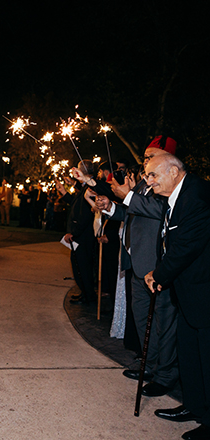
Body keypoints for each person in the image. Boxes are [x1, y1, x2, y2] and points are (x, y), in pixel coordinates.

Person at [96, 137, 178, 397]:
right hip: (136, 263)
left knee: (162, 324)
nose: (146, 162)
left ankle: (165, 376)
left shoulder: (169, 185)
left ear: (169, 159)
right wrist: (111, 206)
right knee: (144, 321)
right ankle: (150, 366)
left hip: (156, 267)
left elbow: (157, 210)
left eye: (152, 156)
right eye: (144, 157)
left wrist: (128, 195)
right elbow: (130, 212)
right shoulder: (144, 183)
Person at [141, 154, 210, 440]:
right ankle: (195, 407)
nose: (149, 181)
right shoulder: (176, 195)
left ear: (173, 171)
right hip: (188, 289)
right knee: (190, 354)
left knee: (207, 357)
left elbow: (186, 247)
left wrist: (159, 274)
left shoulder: (197, 195)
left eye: (153, 175)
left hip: (205, 289)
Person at [56, 161, 96, 304]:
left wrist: (74, 233)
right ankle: (84, 293)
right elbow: (75, 203)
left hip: (83, 236)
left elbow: (86, 214)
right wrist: (63, 192)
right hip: (80, 235)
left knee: (83, 266)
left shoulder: (91, 188)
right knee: (78, 265)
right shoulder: (84, 187)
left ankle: (88, 296)